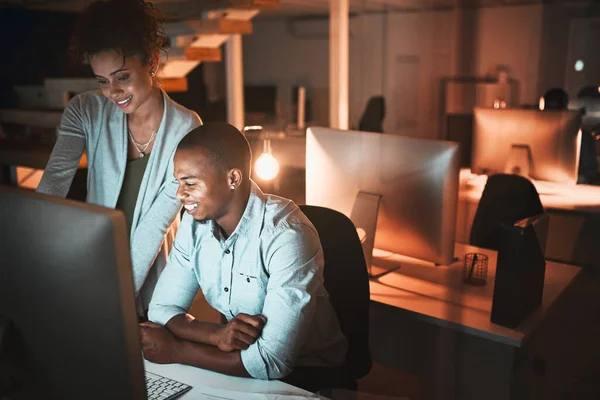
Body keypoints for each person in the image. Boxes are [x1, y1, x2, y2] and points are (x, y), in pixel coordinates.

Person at [140, 122, 347, 392]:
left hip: (307, 376)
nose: (180, 195)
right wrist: (216, 336)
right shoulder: (194, 224)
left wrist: (177, 350)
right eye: (178, 182)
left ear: (233, 179)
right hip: (234, 361)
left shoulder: (287, 235)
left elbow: (271, 361)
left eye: (190, 183)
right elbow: (162, 310)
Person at [36, 0, 202, 314]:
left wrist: (117, 300)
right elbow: (52, 184)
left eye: (122, 77)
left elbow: (156, 226)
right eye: (102, 81)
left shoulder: (186, 127)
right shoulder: (84, 111)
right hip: (93, 262)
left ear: (151, 62)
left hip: (154, 275)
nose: (113, 92)